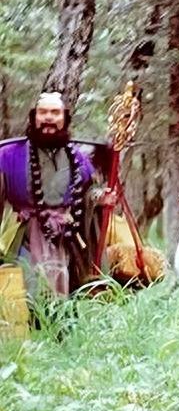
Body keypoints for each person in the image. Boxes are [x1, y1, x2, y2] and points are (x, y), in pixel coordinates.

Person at [0, 92, 114, 298]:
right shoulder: (9, 155)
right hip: (23, 236)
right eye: (43, 112)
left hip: (64, 239)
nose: (48, 118)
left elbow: (88, 191)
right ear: (34, 117)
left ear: (65, 119)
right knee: (26, 292)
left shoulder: (78, 158)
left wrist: (99, 198)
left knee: (65, 294)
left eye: (55, 112)